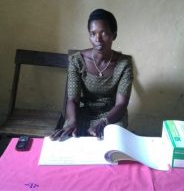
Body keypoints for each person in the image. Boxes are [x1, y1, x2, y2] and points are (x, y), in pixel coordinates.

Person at [51, 9, 133, 140]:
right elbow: (72, 99)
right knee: (69, 138)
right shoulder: (77, 61)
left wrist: (104, 122)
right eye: (92, 34)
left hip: (112, 116)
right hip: (83, 114)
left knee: (113, 145)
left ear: (114, 35)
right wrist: (72, 122)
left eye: (104, 33)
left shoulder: (124, 63)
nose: (98, 39)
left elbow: (121, 105)